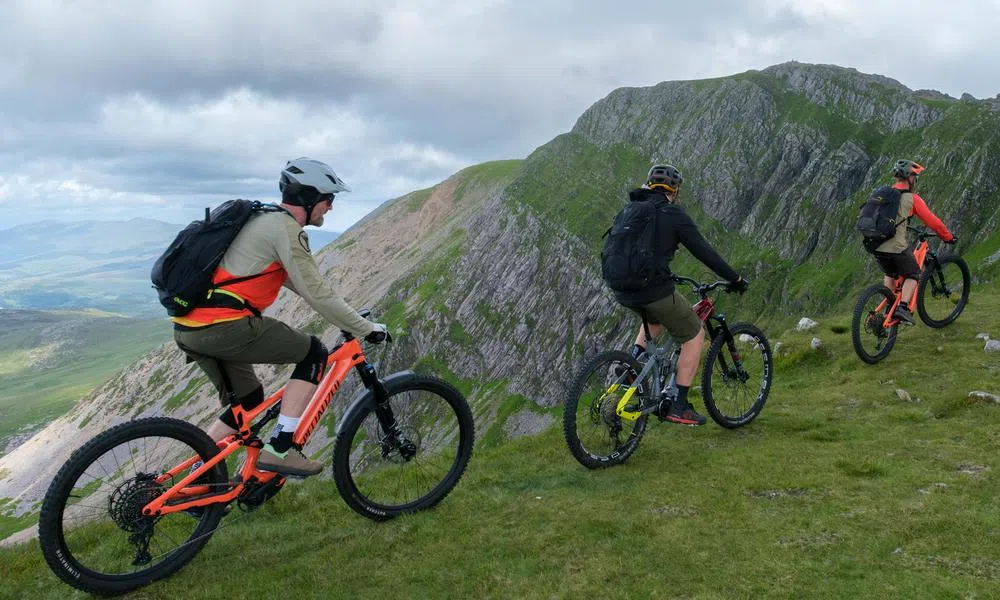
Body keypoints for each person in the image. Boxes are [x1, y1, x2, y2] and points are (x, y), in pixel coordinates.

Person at [172, 157, 388, 477]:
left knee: (248, 401)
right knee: (314, 353)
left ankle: (198, 475)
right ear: (309, 196)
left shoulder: (262, 219)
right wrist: (365, 328)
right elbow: (318, 293)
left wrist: (348, 314)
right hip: (223, 326)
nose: (330, 207)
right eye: (328, 199)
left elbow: (297, 282)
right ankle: (279, 449)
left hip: (190, 326)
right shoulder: (286, 230)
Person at [613, 164, 747, 426]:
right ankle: (678, 404)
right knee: (695, 334)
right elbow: (703, 251)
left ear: (649, 185)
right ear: (674, 190)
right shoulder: (672, 213)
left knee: (655, 319)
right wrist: (735, 278)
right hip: (651, 288)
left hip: (621, 287)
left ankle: (632, 365)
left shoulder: (631, 210)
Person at [871, 159, 957, 325]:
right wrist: (947, 237)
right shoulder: (912, 199)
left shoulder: (884, 193)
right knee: (913, 274)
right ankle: (902, 308)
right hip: (894, 247)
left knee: (891, 273)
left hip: (876, 245)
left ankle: (889, 306)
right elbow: (933, 222)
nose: (916, 180)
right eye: (915, 177)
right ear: (909, 178)